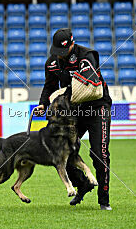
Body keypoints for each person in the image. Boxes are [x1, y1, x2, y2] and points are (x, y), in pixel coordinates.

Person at [36, 28, 113, 210]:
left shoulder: (86, 56)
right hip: (73, 111)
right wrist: (42, 104)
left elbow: (89, 80)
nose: (60, 57)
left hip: (97, 107)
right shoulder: (51, 63)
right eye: (57, 53)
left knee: (99, 154)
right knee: (63, 152)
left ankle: (104, 200)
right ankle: (82, 184)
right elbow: (49, 86)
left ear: (72, 44)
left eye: (64, 52)